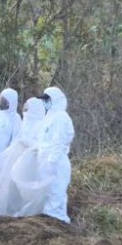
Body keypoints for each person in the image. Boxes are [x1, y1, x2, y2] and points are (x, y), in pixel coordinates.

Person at [0, 97, 47, 218]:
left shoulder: (41, 125)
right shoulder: (24, 123)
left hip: (30, 161)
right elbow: (18, 138)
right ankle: (1, 208)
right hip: (17, 156)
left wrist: (27, 144)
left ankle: (21, 210)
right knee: (5, 178)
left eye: (27, 107)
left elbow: (41, 144)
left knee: (21, 185)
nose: (25, 110)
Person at [39, 86, 75, 223]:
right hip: (46, 160)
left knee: (56, 192)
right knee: (47, 193)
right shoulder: (49, 117)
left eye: (47, 99)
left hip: (57, 162)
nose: (45, 102)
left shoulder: (61, 117)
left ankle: (58, 224)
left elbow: (58, 141)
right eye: (44, 99)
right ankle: (49, 222)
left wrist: (52, 160)